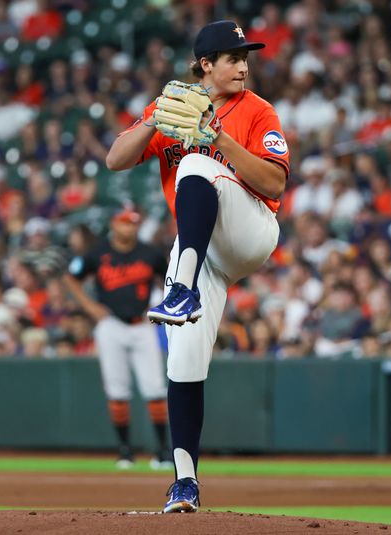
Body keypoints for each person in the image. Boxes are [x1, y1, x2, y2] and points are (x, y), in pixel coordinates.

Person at [105, 20, 289, 513]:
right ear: (205, 65)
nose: (243, 65)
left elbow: (273, 184)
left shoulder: (257, 110)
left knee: (194, 164)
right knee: (182, 359)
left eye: (245, 56)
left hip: (249, 230)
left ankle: (180, 286)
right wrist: (152, 121)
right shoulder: (172, 107)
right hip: (201, 249)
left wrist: (220, 142)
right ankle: (184, 482)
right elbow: (115, 160)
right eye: (232, 57)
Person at [63, 207, 171, 470]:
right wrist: (90, 308)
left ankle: (163, 451)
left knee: (155, 388)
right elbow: (71, 277)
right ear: (114, 224)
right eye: (124, 223)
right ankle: (124, 451)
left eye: (133, 223)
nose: (129, 228)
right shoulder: (98, 253)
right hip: (110, 324)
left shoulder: (150, 253)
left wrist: (161, 305)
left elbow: (171, 278)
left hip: (142, 325)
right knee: (117, 389)